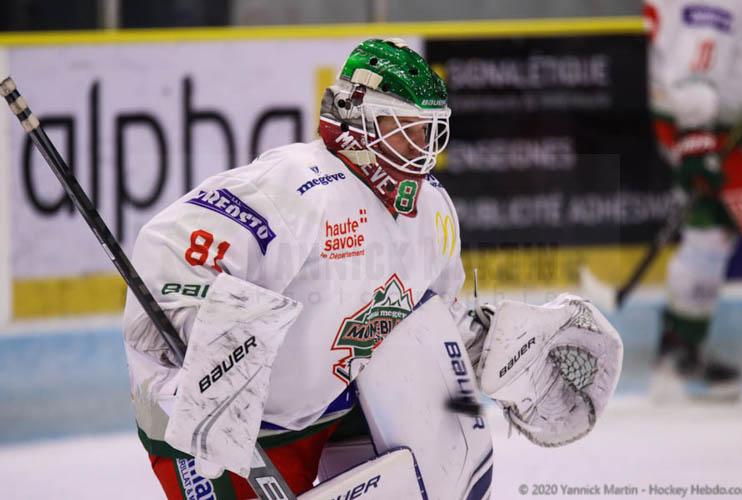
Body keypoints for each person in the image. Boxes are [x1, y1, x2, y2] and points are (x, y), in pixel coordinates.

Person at [122, 38, 622, 499]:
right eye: (405, 128)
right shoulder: (297, 185)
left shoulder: (433, 209)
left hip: (334, 406)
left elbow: (432, 319)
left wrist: (494, 349)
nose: (421, 144)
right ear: (354, 118)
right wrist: (210, 363)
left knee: (450, 448)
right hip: (224, 427)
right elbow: (166, 251)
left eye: (428, 129)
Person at [645, 0, 742, 398]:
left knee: (711, 234)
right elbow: (697, 56)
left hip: (712, 123)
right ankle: (678, 354)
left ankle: (680, 352)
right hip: (708, 129)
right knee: (711, 231)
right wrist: (696, 133)